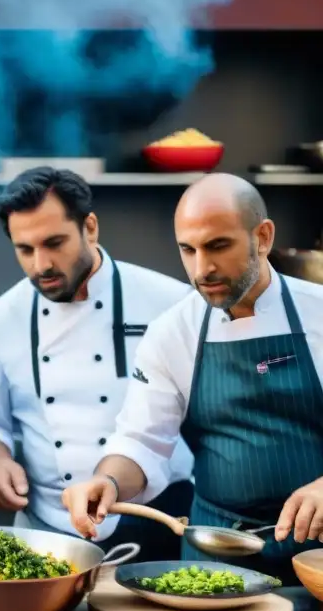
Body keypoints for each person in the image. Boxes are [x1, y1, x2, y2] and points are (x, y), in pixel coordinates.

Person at [62, 172, 323, 585]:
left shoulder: (318, 313)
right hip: (215, 555)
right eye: (188, 250)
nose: (203, 268)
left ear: (263, 237)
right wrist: (107, 480)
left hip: (318, 557)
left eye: (218, 246)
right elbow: (141, 441)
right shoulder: (173, 332)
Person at [0, 166, 195, 560]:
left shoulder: (171, 302)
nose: (40, 264)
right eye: (24, 249)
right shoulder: (1, 317)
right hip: (47, 533)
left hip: (158, 520)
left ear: (90, 227)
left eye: (54, 243)